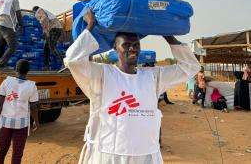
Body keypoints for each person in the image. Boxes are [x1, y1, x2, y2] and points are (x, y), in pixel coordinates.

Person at [64, 10, 200, 164]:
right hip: (108, 156)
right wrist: (90, 25)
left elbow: (190, 67)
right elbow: (73, 61)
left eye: (136, 44)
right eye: (126, 45)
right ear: (115, 47)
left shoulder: (153, 77)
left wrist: (166, 33)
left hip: (146, 155)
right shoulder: (101, 74)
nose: (133, 48)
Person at [0, 59, 39, 164]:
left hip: (5, 123)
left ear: (15, 70)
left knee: (1, 152)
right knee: (17, 155)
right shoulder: (32, 86)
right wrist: (36, 121)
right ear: (28, 71)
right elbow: (33, 107)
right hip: (21, 125)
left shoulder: (6, 81)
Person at [0, 0, 22, 70]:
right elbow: (18, 13)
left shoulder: (0, 2)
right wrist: (21, 25)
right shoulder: (14, 0)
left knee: (1, 46)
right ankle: (0, 65)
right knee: (13, 46)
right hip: (6, 25)